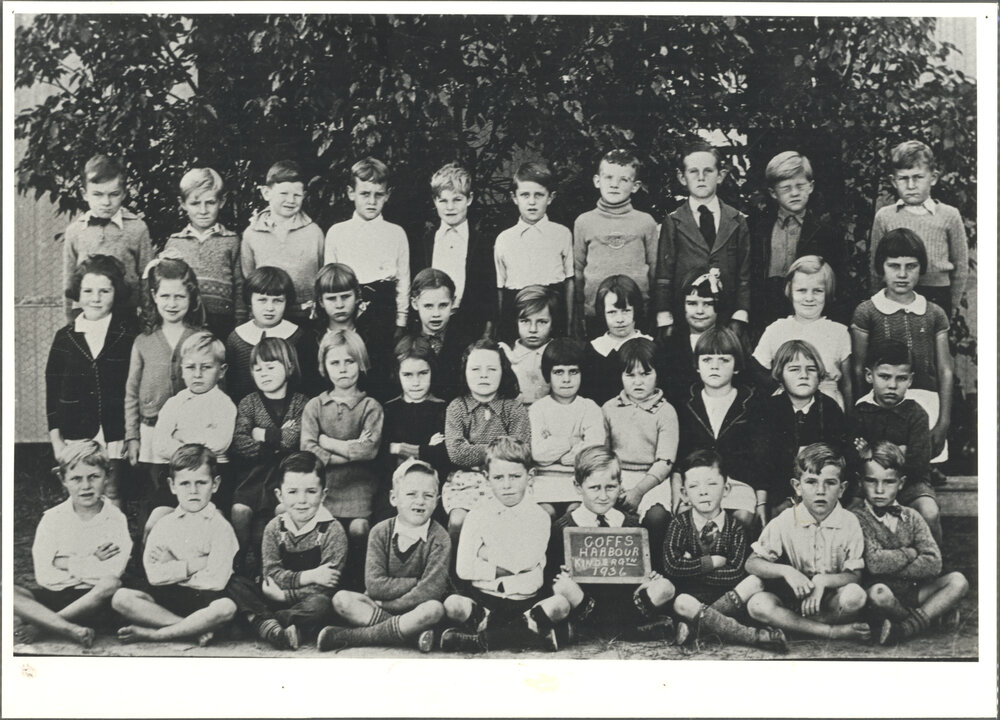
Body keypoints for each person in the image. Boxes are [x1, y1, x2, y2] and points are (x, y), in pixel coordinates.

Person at [440, 437, 571, 653]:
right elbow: (463, 570)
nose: (507, 485)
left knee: (560, 605)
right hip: (484, 598)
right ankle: (527, 634)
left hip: (526, 599)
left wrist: (484, 553)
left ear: (530, 476)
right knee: (453, 605)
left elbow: (525, 561)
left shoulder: (539, 516)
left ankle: (484, 639)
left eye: (515, 476)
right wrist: (510, 566)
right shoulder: (476, 515)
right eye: (498, 477)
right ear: (486, 478)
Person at [112, 444, 238, 646]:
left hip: (204, 600)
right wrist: (196, 565)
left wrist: (173, 567)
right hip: (167, 601)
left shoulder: (221, 527)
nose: (193, 491)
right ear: (172, 486)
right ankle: (188, 628)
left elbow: (216, 581)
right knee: (121, 598)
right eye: (185, 483)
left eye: (201, 483)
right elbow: (154, 576)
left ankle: (156, 634)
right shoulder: (163, 525)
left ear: (215, 484)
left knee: (226, 607)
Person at [744, 443, 871, 642]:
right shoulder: (786, 519)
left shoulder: (849, 521)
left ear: (842, 489)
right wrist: (787, 571)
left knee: (855, 596)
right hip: (795, 599)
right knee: (757, 605)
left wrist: (822, 581)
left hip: (831, 600)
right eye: (811, 482)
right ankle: (830, 632)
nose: (820, 490)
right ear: (797, 487)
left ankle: (796, 626)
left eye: (830, 483)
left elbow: (855, 577)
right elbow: (752, 563)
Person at [664, 449, 787, 652]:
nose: (703, 492)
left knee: (755, 581)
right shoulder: (679, 525)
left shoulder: (734, 527)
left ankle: (695, 628)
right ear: (684, 493)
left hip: (730, 600)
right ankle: (754, 636)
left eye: (712, 484)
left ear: (727, 489)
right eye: (694, 486)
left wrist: (691, 570)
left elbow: (736, 572)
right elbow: (672, 567)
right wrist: (711, 563)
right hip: (691, 601)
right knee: (682, 601)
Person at [549, 446, 676, 642]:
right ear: (577, 486)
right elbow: (551, 576)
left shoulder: (631, 524)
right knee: (562, 587)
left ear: (620, 485)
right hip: (584, 603)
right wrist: (564, 575)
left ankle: (600, 631)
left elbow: (643, 569)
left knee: (665, 587)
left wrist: (650, 577)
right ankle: (628, 631)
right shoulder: (563, 527)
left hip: (626, 603)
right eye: (594, 488)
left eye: (610, 487)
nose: (603, 495)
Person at [321, 460, 450, 651]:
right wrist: (416, 581)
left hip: (416, 610)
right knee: (342, 599)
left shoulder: (440, 538)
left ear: (437, 501)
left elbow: (431, 591)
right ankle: (412, 637)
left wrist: (387, 601)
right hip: (382, 608)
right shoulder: (380, 532)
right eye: (411, 494)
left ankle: (355, 637)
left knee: (434, 609)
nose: (420, 501)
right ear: (393, 498)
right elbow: (374, 586)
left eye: (428, 495)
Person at [852, 227, 953, 469]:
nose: (902, 274)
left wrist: (943, 423)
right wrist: (861, 417)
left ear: (922, 268)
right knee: (882, 469)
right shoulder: (867, 311)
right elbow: (857, 368)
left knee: (921, 473)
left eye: (911, 266)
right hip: (880, 405)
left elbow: (945, 370)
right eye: (894, 266)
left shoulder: (933, 313)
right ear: (881, 267)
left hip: (926, 404)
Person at [14, 441, 131, 647]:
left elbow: (111, 572)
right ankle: (70, 628)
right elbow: (45, 577)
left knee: (111, 584)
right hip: (56, 597)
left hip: (97, 603)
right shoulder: (52, 519)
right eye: (76, 478)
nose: (85, 486)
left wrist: (66, 562)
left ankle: (42, 625)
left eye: (93, 477)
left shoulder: (115, 519)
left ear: (107, 476)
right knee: (7, 591)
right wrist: (92, 561)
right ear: (63, 479)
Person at [853, 441, 968, 645]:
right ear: (860, 482)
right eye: (872, 481)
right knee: (879, 594)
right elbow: (875, 563)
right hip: (881, 594)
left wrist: (892, 562)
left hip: (914, 592)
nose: (879, 490)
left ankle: (904, 628)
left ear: (901, 483)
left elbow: (933, 563)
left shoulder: (912, 516)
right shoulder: (857, 519)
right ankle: (928, 618)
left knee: (958, 581)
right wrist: (910, 553)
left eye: (888, 482)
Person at [227, 451, 346, 650]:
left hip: (304, 602)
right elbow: (272, 575)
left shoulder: (333, 531)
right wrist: (310, 576)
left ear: (323, 494)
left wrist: (284, 597)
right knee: (236, 583)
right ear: (279, 495)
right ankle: (279, 628)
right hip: (272, 596)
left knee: (322, 604)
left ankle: (264, 623)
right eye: (293, 492)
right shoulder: (274, 527)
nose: (302, 500)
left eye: (310, 491)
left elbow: (325, 586)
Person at [46, 254, 137, 508]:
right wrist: (57, 440)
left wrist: (132, 434)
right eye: (88, 290)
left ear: (115, 293)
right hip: (76, 429)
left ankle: (115, 543)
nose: (95, 298)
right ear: (78, 292)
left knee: (112, 490)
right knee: (81, 491)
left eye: (104, 291)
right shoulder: (65, 337)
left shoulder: (128, 333)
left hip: (114, 429)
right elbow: (52, 390)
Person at [300, 329, 383, 590]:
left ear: (361, 363)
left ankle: (356, 586)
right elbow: (308, 449)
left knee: (359, 529)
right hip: (324, 489)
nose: (343, 369)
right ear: (324, 366)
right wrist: (350, 450)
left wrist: (329, 443)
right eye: (334, 362)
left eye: (349, 361)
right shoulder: (315, 406)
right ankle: (323, 588)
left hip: (359, 488)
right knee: (321, 531)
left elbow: (369, 450)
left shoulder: (370, 406)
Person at [125, 256, 204, 525]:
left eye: (180, 297)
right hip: (150, 429)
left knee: (188, 488)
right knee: (154, 491)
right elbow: (132, 391)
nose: (172, 304)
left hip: (189, 431)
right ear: (154, 296)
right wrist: (132, 436)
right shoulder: (143, 340)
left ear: (191, 299)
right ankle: (148, 550)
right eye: (166, 296)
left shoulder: (200, 338)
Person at [325, 157, 410, 399]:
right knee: (348, 368)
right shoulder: (337, 232)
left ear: (387, 195)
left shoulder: (396, 233)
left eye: (378, 194)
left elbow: (403, 280)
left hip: (383, 311)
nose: (372, 201)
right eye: (365, 194)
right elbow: (328, 281)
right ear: (351, 193)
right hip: (346, 310)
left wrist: (401, 322)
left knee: (379, 374)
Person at [654, 140, 751, 341]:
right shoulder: (674, 221)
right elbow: (664, 274)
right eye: (693, 172)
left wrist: (741, 314)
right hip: (686, 316)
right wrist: (665, 316)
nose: (701, 178)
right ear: (682, 177)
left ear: (721, 175)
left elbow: (745, 274)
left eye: (708, 171)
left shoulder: (737, 220)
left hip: (727, 316)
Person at [229, 337, 309, 576]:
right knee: (240, 510)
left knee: (280, 512)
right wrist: (274, 441)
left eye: (271, 367)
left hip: (286, 474)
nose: (263, 373)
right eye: (257, 368)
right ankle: (238, 563)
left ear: (289, 367)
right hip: (253, 473)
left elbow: (295, 439)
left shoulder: (300, 403)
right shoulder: (249, 403)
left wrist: (260, 433)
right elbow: (239, 441)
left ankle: (275, 569)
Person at [672, 327, 762, 532]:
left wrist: (761, 499)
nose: (715, 367)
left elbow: (760, 457)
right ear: (697, 365)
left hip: (736, 482)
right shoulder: (686, 403)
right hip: (695, 481)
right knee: (686, 520)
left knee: (742, 517)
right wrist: (678, 484)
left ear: (736, 366)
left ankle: (730, 563)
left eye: (724, 360)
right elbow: (679, 452)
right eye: (707, 360)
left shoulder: (750, 403)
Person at [853, 341, 942, 546]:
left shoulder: (916, 413)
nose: (892, 385)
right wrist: (899, 451)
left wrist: (872, 454)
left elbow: (919, 462)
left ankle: (933, 561)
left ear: (910, 380)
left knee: (929, 510)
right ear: (869, 376)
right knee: (851, 512)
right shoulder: (861, 411)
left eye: (901, 378)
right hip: (870, 482)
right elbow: (852, 456)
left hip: (910, 481)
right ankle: (860, 566)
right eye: (884, 377)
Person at [442, 339, 530, 545]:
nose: (483, 375)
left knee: (510, 520)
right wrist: (501, 447)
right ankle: (458, 574)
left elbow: (521, 451)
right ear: (464, 371)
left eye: (491, 369)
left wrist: (476, 451)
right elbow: (456, 453)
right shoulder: (457, 408)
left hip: (507, 478)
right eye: (475, 369)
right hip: (466, 481)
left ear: (503, 372)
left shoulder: (514, 409)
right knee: (458, 521)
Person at [601, 337, 677, 572]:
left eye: (645, 374)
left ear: (657, 373)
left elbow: (665, 461)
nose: (638, 382)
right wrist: (614, 485)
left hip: (652, 481)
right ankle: (613, 577)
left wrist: (638, 491)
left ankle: (651, 575)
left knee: (656, 518)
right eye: (630, 375)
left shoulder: (665, 411)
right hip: (617, 478)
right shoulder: (609, 408)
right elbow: (602, 455)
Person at [869, 140, 968, 319]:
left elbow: (960, 266)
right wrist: (878, 304)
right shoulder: (884, 216)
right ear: (893, 181)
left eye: (918, 177)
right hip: (894, 294)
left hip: (937, 295)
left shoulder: (949, 215)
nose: (911, 185)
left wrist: (951, 306)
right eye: (904, 178)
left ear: (933, 178)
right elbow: (876, 267)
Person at [749, 151, 848, 330]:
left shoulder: (827, 232)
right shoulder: (758, 229)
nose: (794, 193)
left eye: (800, 186)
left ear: (811, 186)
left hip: (811, 315)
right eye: (786, 188)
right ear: (773, 192)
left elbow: (837, 285)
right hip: (766, 316)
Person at [755, 340, 850, 516]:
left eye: (811, 369)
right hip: (779, 493)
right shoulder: (768, 409)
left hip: (820, 492)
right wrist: (763, 504)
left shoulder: (829, 409)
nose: (804, 375)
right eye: (794, 369)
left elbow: (839, 454)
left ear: (820, 375)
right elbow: (762, 461)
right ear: (780, 375)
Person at [151, 332, 237, 523]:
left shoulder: (224, 404)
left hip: (214, 474)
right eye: (190, 367)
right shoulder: (174, 403)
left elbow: (220, 444)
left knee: (216, 521)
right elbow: (159, 444)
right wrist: (201, 440)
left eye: (206, 367)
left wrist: (181, 438)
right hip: (178, 473)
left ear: (221, 371)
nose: (197, 374)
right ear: (181, 369)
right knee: (155, 521)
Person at [572, 149, 659, 338]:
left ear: (635, 186)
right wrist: (582, 309)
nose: (614, 185)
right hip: (596, 313)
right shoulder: (583, 222)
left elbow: (654, 270)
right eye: (608, 177)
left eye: (623, 180)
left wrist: (650, 308)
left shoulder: (645, 222)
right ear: (597, 181)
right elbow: (578, 271)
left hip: (635, 313)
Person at [751, 255, 853, 410]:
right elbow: (757, 371)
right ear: (790, 291)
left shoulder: (839, 332)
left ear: (828, 292)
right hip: (785, 405)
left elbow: (847, 383)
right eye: (801, 290)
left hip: (827, 407)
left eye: (818, 291)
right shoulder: (776, 329)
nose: (809, 298)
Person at [62, 154, 153, 321]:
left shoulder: (137, 228)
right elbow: (69, 281)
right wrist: (70, 322)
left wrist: (148, 320)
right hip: (86, 315)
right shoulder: (75, 231)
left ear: (124, 193)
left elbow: (147, 278)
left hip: (125, 315)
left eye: (113, 194)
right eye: (98, 194)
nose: (106, 202)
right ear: (84, 194)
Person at [414, 161, 497, 342]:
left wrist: (487, 332)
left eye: (457, 200)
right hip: (431, 323)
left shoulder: (482, 243)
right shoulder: (425, 242)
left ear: (469, 199)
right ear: (435, 201)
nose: (450, 207)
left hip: (469, 324)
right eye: (443, 200)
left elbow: (489, 291)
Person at [494, 161, 573, 344]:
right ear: (514, 198)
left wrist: (569, 324)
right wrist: (500, 327)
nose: (531, 202)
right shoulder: (505, 239)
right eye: (525, 195)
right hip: (517, 310)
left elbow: (569, 280)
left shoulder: (561, 234)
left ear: (550, 197)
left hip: (553, 310)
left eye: (538, 195)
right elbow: (500, 288)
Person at [163, 167, 246, 339]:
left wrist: (240, 321)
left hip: (223, 321)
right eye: (195, 203)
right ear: (183, 204)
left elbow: (239, 285)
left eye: (210, 202)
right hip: (185, 319)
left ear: (221, 202)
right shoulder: (175, 242)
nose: (203, 210)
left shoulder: (231, 240)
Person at [529, 338, 606, 518]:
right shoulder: (538, 409)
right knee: (543, 514)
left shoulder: (589, 408)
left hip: (579, 480)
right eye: (558, 372)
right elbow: (538, 453)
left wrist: (556, 450)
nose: (566, 379)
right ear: (548, 374)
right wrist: (571, 442)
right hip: (543, 480)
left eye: (573, 372)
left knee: (576, 514)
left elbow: (592, 451)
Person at [241, 159, 325, 323]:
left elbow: (322, 273)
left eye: (297, 195)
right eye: (284, 194)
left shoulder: (314, 233)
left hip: (305, 316)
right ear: (266, 193)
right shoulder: (251, 234)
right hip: (267, 315)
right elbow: (248, 278)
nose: (291, 200)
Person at [379, 335, 450, 522]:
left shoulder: (442, 408)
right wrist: (424, 449)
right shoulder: (390, 409)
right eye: (408, 375)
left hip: (431, 489)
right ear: (398, 374)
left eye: (422, 373)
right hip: (396, 488)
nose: (416, 382)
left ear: (432, 371)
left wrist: (399, 448)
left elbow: (442, 455)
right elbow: (382, 453)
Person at [225, 266, 321, 403]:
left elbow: (308, 385)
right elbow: (232, 385)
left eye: (277, 300)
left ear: (287, 301)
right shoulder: (237, 338)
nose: (270, 308)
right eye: (262, 300)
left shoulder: (299, 336)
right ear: (249, 300)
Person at [581, 274, 654, 406]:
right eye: (612, 312)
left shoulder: (651, 346)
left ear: (636, 310)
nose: (620, 319)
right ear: (602, 312)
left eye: (626, 311)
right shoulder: (594, 350)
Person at [659, 267, 723, 405]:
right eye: (692, 303)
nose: (700, 311)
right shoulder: (671, 346)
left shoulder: (728, 342)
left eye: (708, 303)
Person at [406, 268, 468, 403]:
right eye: (428, 306)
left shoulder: (463, 343)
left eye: (443, 305)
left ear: (453, 302)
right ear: (415, 303)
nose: (436, 314)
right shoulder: (406, 343)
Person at [500, 285, 558, 406]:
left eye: (542, 322)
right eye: (525, 321)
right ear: (516, 322)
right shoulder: (506, 353)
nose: (533, 329)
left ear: (553, 324)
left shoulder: (558, 353)